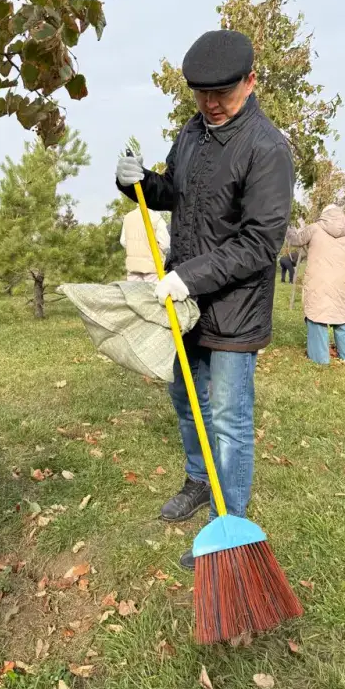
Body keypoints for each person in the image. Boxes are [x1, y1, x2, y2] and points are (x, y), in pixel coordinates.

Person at [115, 29, 294, 570]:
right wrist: (139, 181)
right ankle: (198, 479)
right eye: (201, 94)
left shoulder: (268, 148)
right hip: (187, 304)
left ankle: (229, 519)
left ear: (251, 81)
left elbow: (260, 243)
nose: (211, 105)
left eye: (222, 94)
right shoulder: (192, 132)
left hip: (234, 308)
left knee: (229, 416)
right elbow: (175, 193)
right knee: (185, 399)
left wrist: (188, 276)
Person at [288, 205, 345, 365]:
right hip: (341, 282)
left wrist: (290, 228)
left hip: (318, 280)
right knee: (341, 317)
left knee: (317, 317)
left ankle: (319, 358)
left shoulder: (314, 228)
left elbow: (296, 240)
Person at [120, 206, 170, 281]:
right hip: (153, 266)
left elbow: (123, 241)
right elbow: (165, 244)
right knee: (152, 292)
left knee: (134, 292)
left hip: (133, 266)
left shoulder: (128, 217)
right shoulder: (156, 218)